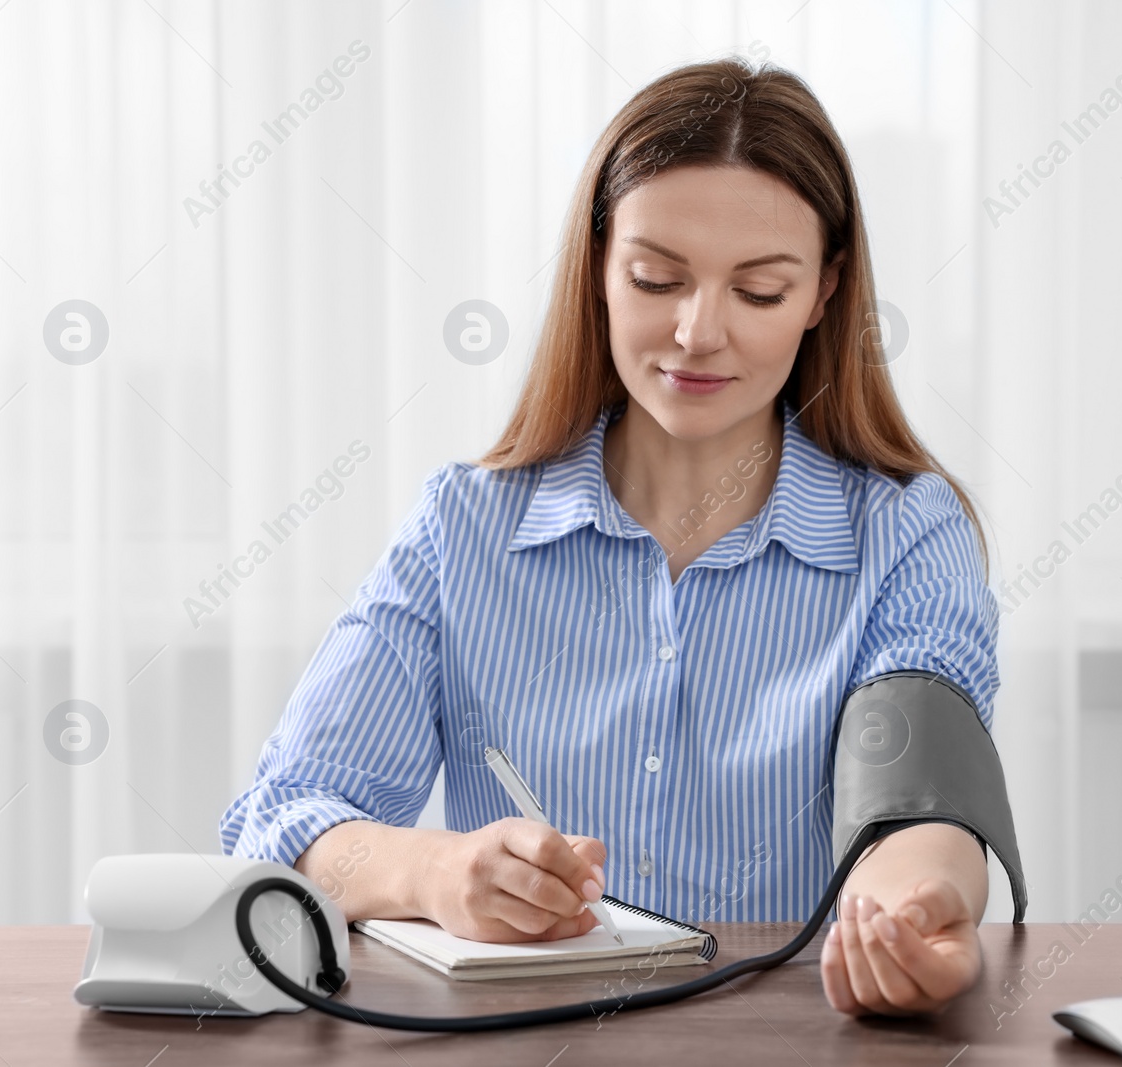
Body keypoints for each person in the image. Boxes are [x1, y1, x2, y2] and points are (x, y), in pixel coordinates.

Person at [220, 55, 1002, 1018]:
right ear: (597, 268)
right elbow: (282, 815)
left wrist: (911, 914)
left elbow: (922, 811)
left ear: (826, 292)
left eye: (759, 291)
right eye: (655, 278)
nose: (696, 331)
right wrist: (435, 871)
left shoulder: (906, 535)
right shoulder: (463, 528)